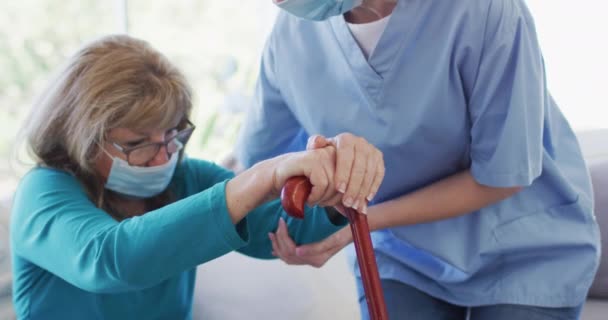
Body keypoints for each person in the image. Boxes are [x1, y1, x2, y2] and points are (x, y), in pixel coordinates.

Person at [235, 0, 601, 319]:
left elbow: (503, 175)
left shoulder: (483, 10)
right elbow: (263, 166)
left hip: (524, 251)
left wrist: (357, 226)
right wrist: (307, 226)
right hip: (402, 257)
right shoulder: (291, 37)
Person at [9, 34, 385, 320]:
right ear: (83, 138)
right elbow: (112, 259)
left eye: (172, 136)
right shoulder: (44, 192)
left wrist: (333, 190)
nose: (161, 157)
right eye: (137, 143)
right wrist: (260, 179)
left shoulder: (185, 179)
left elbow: (287, 230)